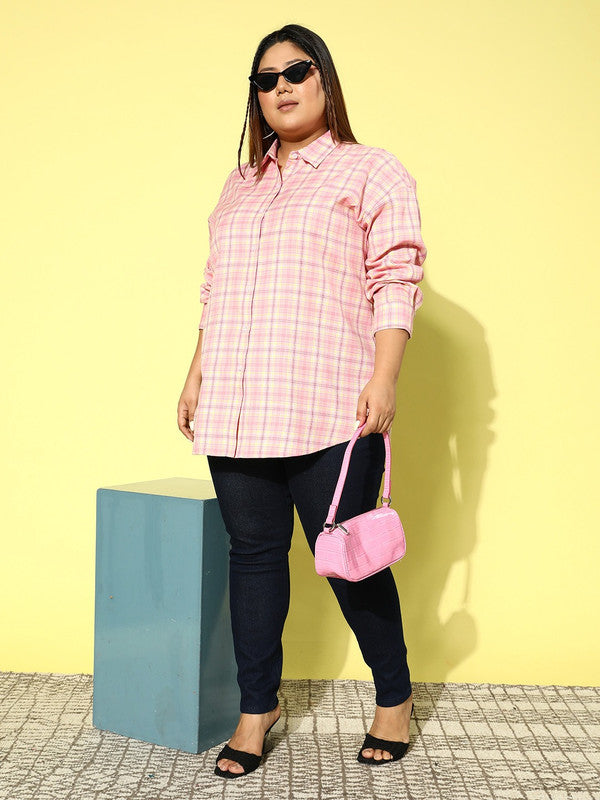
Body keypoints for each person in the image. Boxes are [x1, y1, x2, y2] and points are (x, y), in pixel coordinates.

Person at [177, 24, 426, 779]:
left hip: (329, 404)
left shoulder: (371, 170)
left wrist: (385, 377)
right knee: (253, 559)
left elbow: (396, 276)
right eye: (266, 78)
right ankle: (258, 709)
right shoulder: (239, 184)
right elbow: (217, 287)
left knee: (350, 560)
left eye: (297, 70)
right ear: (255, 96)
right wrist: (195, 373)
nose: (281, 86)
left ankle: (394, 698)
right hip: (237, 404)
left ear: (324, 79)